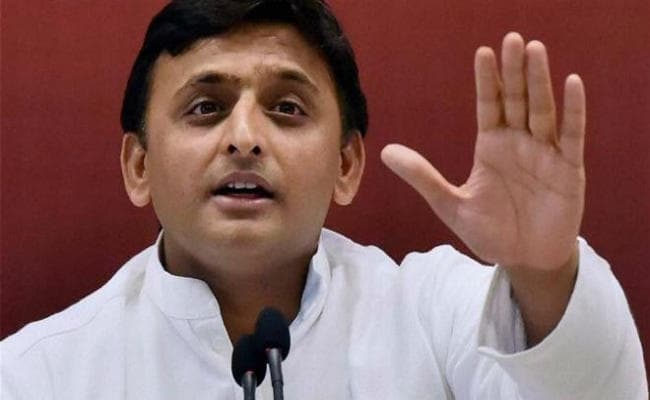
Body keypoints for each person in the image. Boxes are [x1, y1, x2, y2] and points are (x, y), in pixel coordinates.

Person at [1, 0, 646, 398]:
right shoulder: (35, 375)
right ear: (139, 166)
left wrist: (541, 273)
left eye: (286, 108)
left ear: (346, 165)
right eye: (206, 108)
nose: (245, 138)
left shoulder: (433, 313)